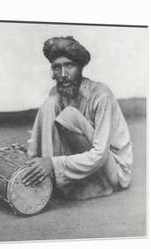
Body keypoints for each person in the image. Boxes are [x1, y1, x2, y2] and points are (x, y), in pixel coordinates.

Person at [22, 36, 133, 200]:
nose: (64, 74)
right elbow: (51, 135)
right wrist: (32, 156)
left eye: (70, 66)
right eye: (57, 68)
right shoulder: (55, 94)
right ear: (52, 72)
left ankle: (56, 178)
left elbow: (100, 154)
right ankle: (43, 176)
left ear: (80, 68)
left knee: (69, 115)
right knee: (50, 102)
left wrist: (52, 164)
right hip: (85, 163)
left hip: (113, 170)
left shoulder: (101, 94)